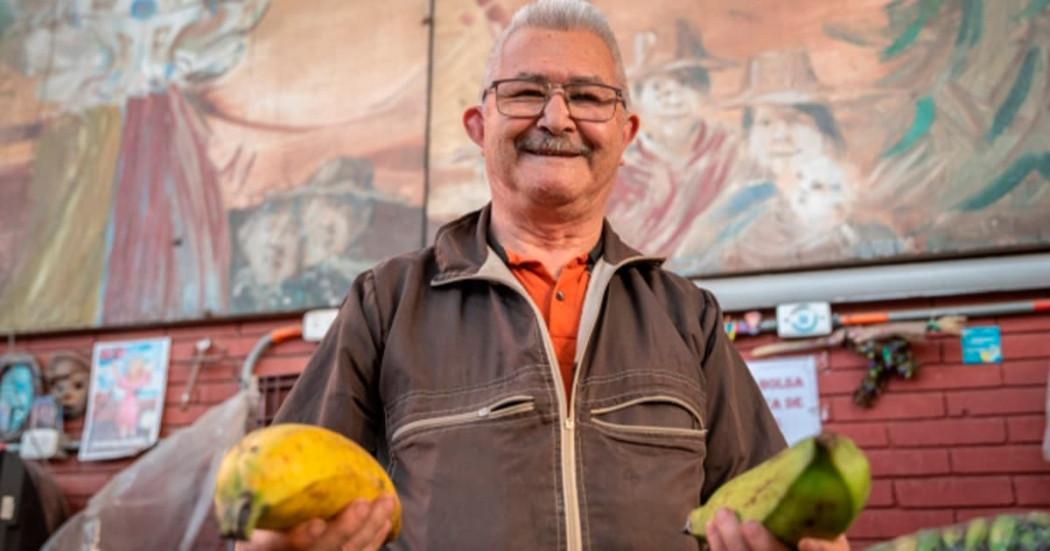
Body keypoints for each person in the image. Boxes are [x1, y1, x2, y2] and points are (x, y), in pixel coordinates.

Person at [244, 2, 850, 550]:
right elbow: (273, 508)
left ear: (625, 134)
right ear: (479, 127)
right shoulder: (386, 305)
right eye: (525, 91)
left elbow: (763, 506)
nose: (556, 117)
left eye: (588, 97)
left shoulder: (688, 317)